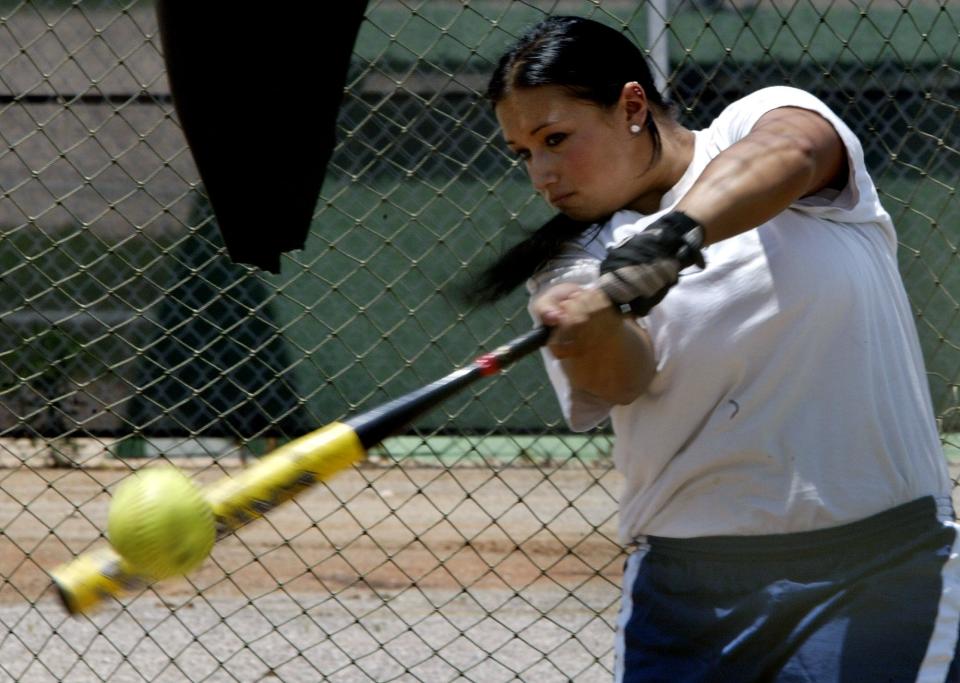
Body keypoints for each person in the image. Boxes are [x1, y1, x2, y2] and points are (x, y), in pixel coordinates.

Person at [471, 15, 959, 682]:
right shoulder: (570, 260)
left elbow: (793, 153)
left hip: (881, 563)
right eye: (524, 153)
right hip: (690, 592)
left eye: (556, 138)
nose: (542, 173)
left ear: (633, 106)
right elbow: (622, 379)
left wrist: (672, 237)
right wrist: (591, 329)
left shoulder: (751, 124)